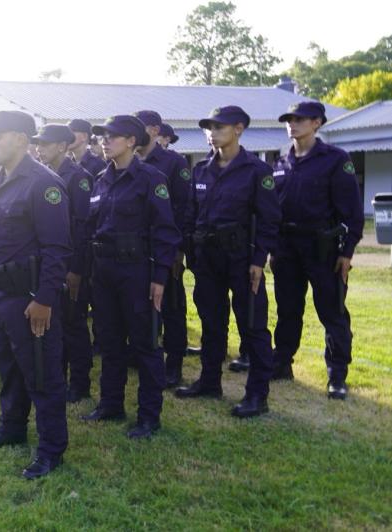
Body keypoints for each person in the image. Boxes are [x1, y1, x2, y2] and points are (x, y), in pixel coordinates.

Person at [0, 110, 71, 480]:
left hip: (29, 298)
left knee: (42, 374)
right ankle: (11, 428)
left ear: (20, 138)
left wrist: (45, 299)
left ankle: (51, 449)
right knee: (9, 368)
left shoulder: (43, 183)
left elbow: (57, 249)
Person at [175, 106, 280, 418]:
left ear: (239, 129)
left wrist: (259, 260)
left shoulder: (257, 171)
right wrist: (191, 254)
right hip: (208, 259)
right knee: (211, 322)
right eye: (209, 127)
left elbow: (269, 220)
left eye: (219, 127)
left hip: (242, 259)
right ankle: (209, 382)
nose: (212, 132)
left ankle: (257, 395)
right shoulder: (201, 170)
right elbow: (191, 216)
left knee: (252, 327)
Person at [80, 115, 180, 438]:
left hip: (137, 271)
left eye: (113, 136)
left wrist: (160, 277)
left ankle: (149, 416)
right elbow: (91, 228)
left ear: (131, 142)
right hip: (104, 271)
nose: (105, 141)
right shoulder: (100, 179)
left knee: (145, 344)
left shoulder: (152, 178)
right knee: (109, 341)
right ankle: (111, 404)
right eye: (103, 136)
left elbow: (165, 231)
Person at [271, 101, 364, 400]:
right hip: (287, 248)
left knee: (332, 312)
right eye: (289, 119)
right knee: (287, 310)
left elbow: (352, 212)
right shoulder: (281, 162)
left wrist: (346, 253)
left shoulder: (335, 159)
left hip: (322, 248)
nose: (292, 124)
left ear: (317, 123)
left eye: (300, 120)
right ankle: (282, 363)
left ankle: (337, 375)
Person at [32, 124, 95, 403]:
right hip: (51, 264)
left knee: (74, 324)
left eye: (45, 144)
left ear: (61, 146)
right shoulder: (43, 176)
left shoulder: (78, 177)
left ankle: (80, 383)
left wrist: (76, 270)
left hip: (70, 264)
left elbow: (82, 227)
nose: (39, 149)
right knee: (58, 325)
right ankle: (60, 374)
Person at [134, 110, 192, 388]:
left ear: (155, 130)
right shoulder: (128, 161)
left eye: (140, 127)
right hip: (135, 251)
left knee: (171, 306)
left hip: (165, 248)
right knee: (141, 307)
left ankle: (175, 363)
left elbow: (183, 208)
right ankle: (144, 356)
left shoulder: (173, 162)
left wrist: (177, 250)